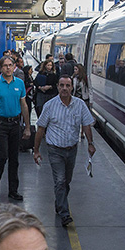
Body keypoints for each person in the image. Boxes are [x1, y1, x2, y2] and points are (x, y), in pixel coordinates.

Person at [33, 76, 95, 227]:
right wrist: (36, 150)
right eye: (62, 85)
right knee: (60, 181)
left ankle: (59, 201)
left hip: (71, 150)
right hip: (55, 150)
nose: (65, 88)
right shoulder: (50, 105)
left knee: (66, 181)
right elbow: (41, 128)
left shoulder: (80, 105)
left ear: (72, 88)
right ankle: (64, 213)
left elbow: (86, 124)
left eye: (68, 85)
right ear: (57, 87)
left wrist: (90, 143)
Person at [0, 56, 31, 201]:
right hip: (0, 124)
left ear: (14, 66)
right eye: (5, 66)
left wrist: (27, 127)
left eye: (10, 65)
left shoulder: (20, 84)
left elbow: (24, 106)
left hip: (15, 124)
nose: (8, 68)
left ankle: (13, 190)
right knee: (2, 155)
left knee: (14, 159)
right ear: (1, 68)